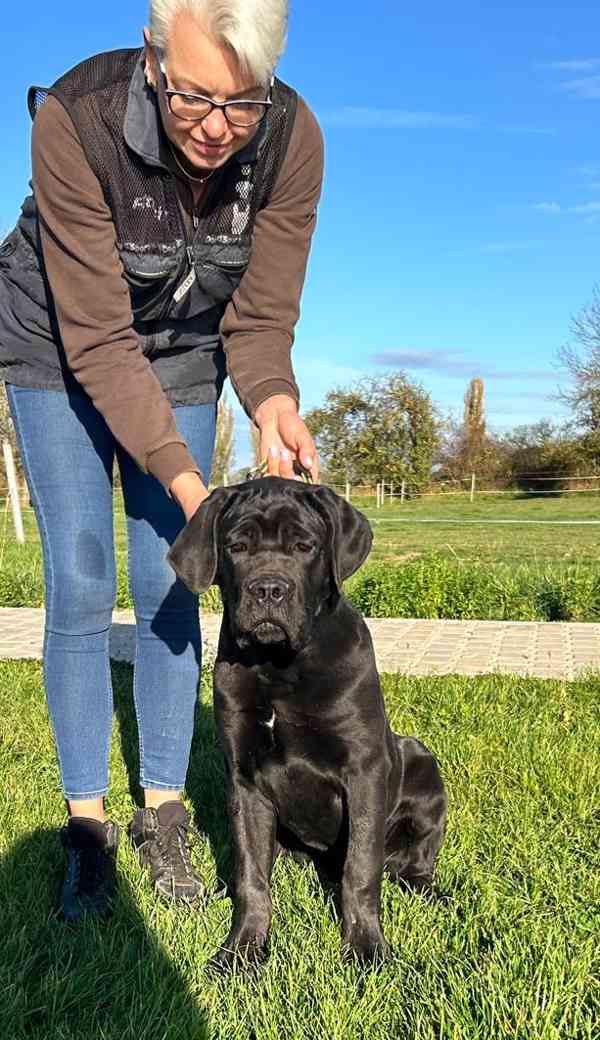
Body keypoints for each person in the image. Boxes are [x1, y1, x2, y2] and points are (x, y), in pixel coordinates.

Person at [0, 0, 322, 920]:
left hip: (182, 354)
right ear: (152, 56)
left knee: (172, 580)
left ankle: (165, 810)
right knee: (81, 574)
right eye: (193, 99)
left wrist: (272, 400)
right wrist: (194, 486)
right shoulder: (75, 118)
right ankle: (86, 828)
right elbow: (100, 338)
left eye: (244, 104)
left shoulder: (294, 139)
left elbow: (260, 318)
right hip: (58, 347)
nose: (218, 129)